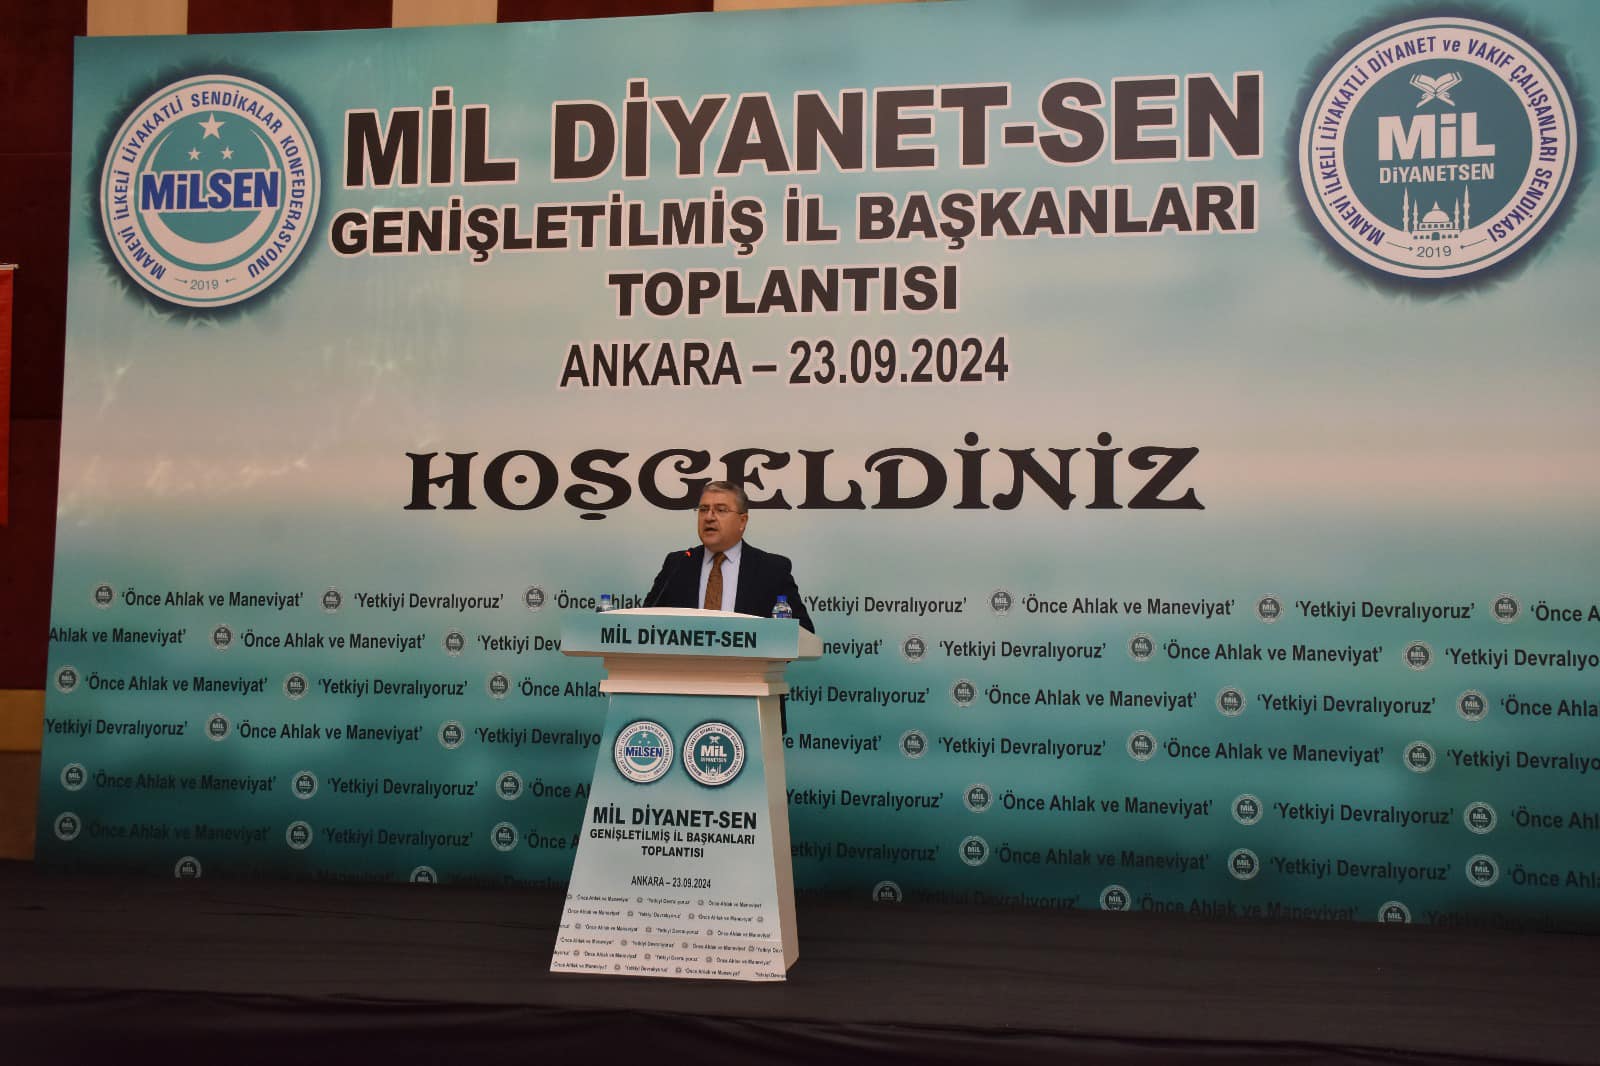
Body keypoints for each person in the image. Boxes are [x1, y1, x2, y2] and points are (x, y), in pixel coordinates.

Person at [644, 481, 816, 635]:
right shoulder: (678, 564)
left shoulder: (772, 570)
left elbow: (803, 631)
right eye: (703, 509)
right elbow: (643, 624)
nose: (709, 517)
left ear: (742, 521)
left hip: (749, 662)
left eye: (720, 510)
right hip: (683, 661)